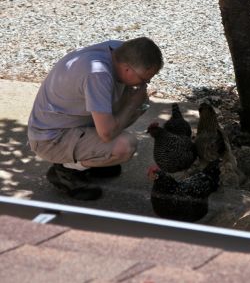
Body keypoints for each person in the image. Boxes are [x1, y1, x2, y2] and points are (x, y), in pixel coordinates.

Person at [27, 37, 164, 200]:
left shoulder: (119, 50)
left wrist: (131, 106)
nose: (146, 83)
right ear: (127, 69)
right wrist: (132, 105)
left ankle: (86, 160)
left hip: (69, 123)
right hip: (50, 140)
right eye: (144, 79)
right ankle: (65, 169)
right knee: (124, 146)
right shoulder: (98, 74)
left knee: (125, 107)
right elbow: (107, 133)